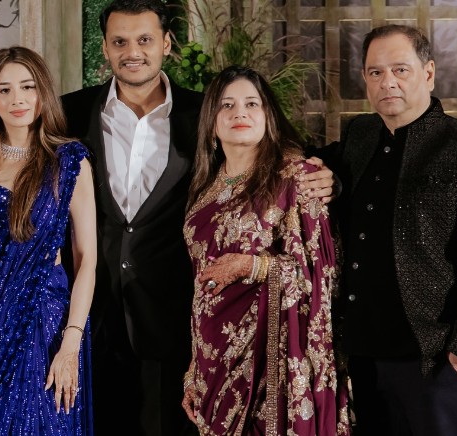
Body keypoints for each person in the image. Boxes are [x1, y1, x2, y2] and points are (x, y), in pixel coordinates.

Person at [60, 1, 337, 434]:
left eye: (145, 39)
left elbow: (269, 160)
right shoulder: (68, 114)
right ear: (106, 48)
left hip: (178, 327)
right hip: (90, 320)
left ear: (167, 44)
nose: (133, 52)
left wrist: (332, 177)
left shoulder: (206, 114)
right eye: (120, 41)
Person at [314, 24, 457, 436]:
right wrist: (325, 175)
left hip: (433, 359)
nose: (387, 82)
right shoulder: (359, 135)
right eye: (375, 72)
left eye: (400, 70)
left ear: (428, 73)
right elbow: (313, 165)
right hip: (362, 355)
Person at [181, 65, 350, 435]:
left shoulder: (298, 176)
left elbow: (320, 273)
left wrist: (252, 266)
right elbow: (200, 286)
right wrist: (194, 367)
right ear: (211, 121)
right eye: (226, 105)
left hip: (269, 363)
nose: (239, 113)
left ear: (268, 115)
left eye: (251, 104)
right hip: (213, 361)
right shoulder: (205, 187)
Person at [0, 46, 96, 435]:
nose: (17, 99)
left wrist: (71, 342)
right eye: (4, 90)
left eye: (28, 87)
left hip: (46, 317)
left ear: (43, 92)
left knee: (47, 420)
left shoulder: (70, 162)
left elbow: (86, 259)